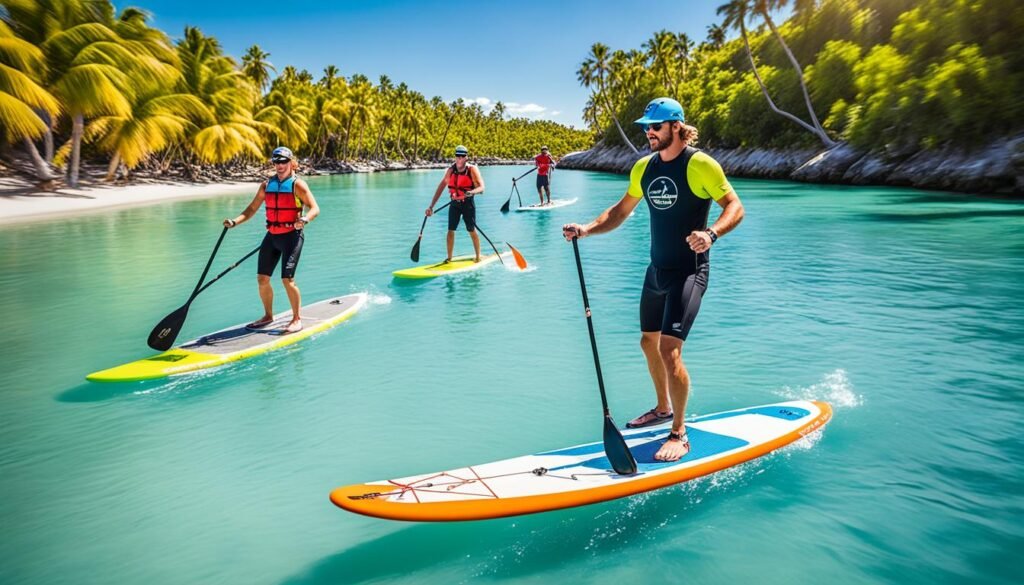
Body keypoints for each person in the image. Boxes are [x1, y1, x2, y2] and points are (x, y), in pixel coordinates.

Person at [562, 97, 745, 462]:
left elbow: (735, 207)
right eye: (646, 126)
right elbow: (620, 211)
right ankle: (662, 408)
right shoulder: (644, 168)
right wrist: (586, 229)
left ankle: (679, 431)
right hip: (657, 270)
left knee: (669, 349)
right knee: (648, 342)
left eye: (656, 126)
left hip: (690, 270)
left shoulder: (700, 165)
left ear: (676, 126)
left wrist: (711, 234)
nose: (649, 132)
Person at [223, 146, 320, 334]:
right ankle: (268, 316)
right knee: (262, 279)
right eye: (276, 162)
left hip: (292, 236)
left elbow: (314, 208)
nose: (279, 165)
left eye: (283, 161)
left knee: (287, 279)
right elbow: (251, 210)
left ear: (291, 163)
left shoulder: (297, 185)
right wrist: (234, 222)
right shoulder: (266, 185)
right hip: (272, 236)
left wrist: (305, 219)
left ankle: (296, 319)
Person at [426, 145, 486, 262]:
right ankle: (449, 258)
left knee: (471, 229)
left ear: (466, 158)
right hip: (455, 204)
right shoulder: (451, 170)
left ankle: (478, 257)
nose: (459, 158)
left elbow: (482, 188)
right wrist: (431, 206)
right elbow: (441, 187)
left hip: (468, 203)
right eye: (457, 156)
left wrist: (471, 192)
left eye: (462, 156)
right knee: (450, 230)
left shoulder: (472, 169)